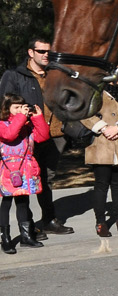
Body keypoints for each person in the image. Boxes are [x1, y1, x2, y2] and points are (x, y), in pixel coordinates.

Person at [0, 38, 74, 234]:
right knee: (24, 180)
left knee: (46, 178)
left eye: (48, 51)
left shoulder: (56, 74)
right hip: (27, 136)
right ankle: (28, 226)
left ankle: (49, 220)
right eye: (41, 51)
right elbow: (5, 107)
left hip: (56, 134)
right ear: (31, 52)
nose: (45, 54)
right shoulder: (15, 75)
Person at [81, 80, 118, 237]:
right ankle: (100, 222)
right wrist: (103, 128)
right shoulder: (94, 91)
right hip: (101, 144)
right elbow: (84, 114)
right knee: (101, 185)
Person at [0, 92, 50, 252]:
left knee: (23, 203)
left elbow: (42, 136)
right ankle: (5, 238)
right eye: (16, 107)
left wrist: (37, 118)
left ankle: (26, 237)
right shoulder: (2, 124)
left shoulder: (26, 126)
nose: (21, 110)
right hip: (8, 170)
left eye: (23, 107)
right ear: (7, 109)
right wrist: (21, 117)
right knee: (6, 203)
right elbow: (9, 135)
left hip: (25, 169)